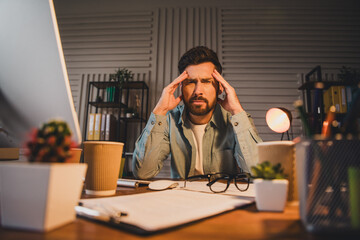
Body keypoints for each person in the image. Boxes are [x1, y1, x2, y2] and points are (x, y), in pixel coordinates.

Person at [132, 46, 262, 179]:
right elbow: (143, 172)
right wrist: (160, 110)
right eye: (191, 82)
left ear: (220, 87)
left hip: (222, 198)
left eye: (206, 82)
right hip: (182, 198)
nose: (198, 91)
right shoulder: (168, 120)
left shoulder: (236, 120)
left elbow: (258, 174)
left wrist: (237, 110)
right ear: (181, 87)